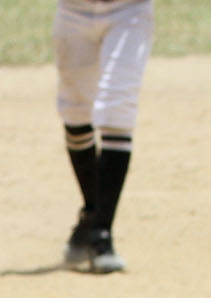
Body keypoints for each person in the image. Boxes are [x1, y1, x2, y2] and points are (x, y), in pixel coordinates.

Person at [55, 0, 154, 274]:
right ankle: (92, 214)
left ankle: (101, 233)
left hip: (129, 10)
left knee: (117, 109)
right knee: (74, 110)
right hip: (73, 10)